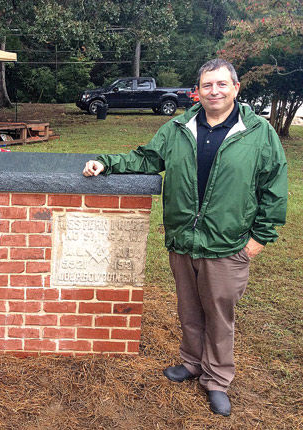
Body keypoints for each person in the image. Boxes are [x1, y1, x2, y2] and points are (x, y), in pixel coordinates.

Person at [83, 58, 287, 417]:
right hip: (183, 240)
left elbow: (273, 187)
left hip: (227, 244)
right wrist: (107, 163)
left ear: (236, 89)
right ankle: (192, 363)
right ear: (198, 91)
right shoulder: (179, 127)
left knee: (219, 316)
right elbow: (147, 158)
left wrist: (259, 239)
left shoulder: (258, 133)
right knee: (190, 311)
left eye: (222, 84)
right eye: (207, 85)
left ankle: (217, 379)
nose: (214, 91)